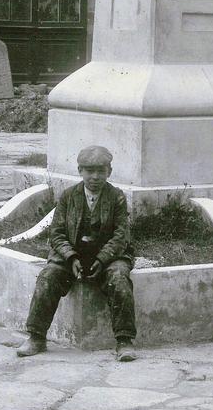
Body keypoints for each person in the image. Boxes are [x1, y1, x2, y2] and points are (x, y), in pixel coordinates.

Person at [16, 145, 137, 362]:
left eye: (101, 171)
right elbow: (57, 233)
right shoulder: (68, 196)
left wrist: (103, 258)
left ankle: (124, 341)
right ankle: (36, 337)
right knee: (48, 277)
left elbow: (121, 236)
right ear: (80, 171)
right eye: (89, 171)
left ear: (109, 172)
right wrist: (70, 257)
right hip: (72, 257)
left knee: (119, 279)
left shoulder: (116, 197)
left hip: (108, 258)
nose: (95, 177)